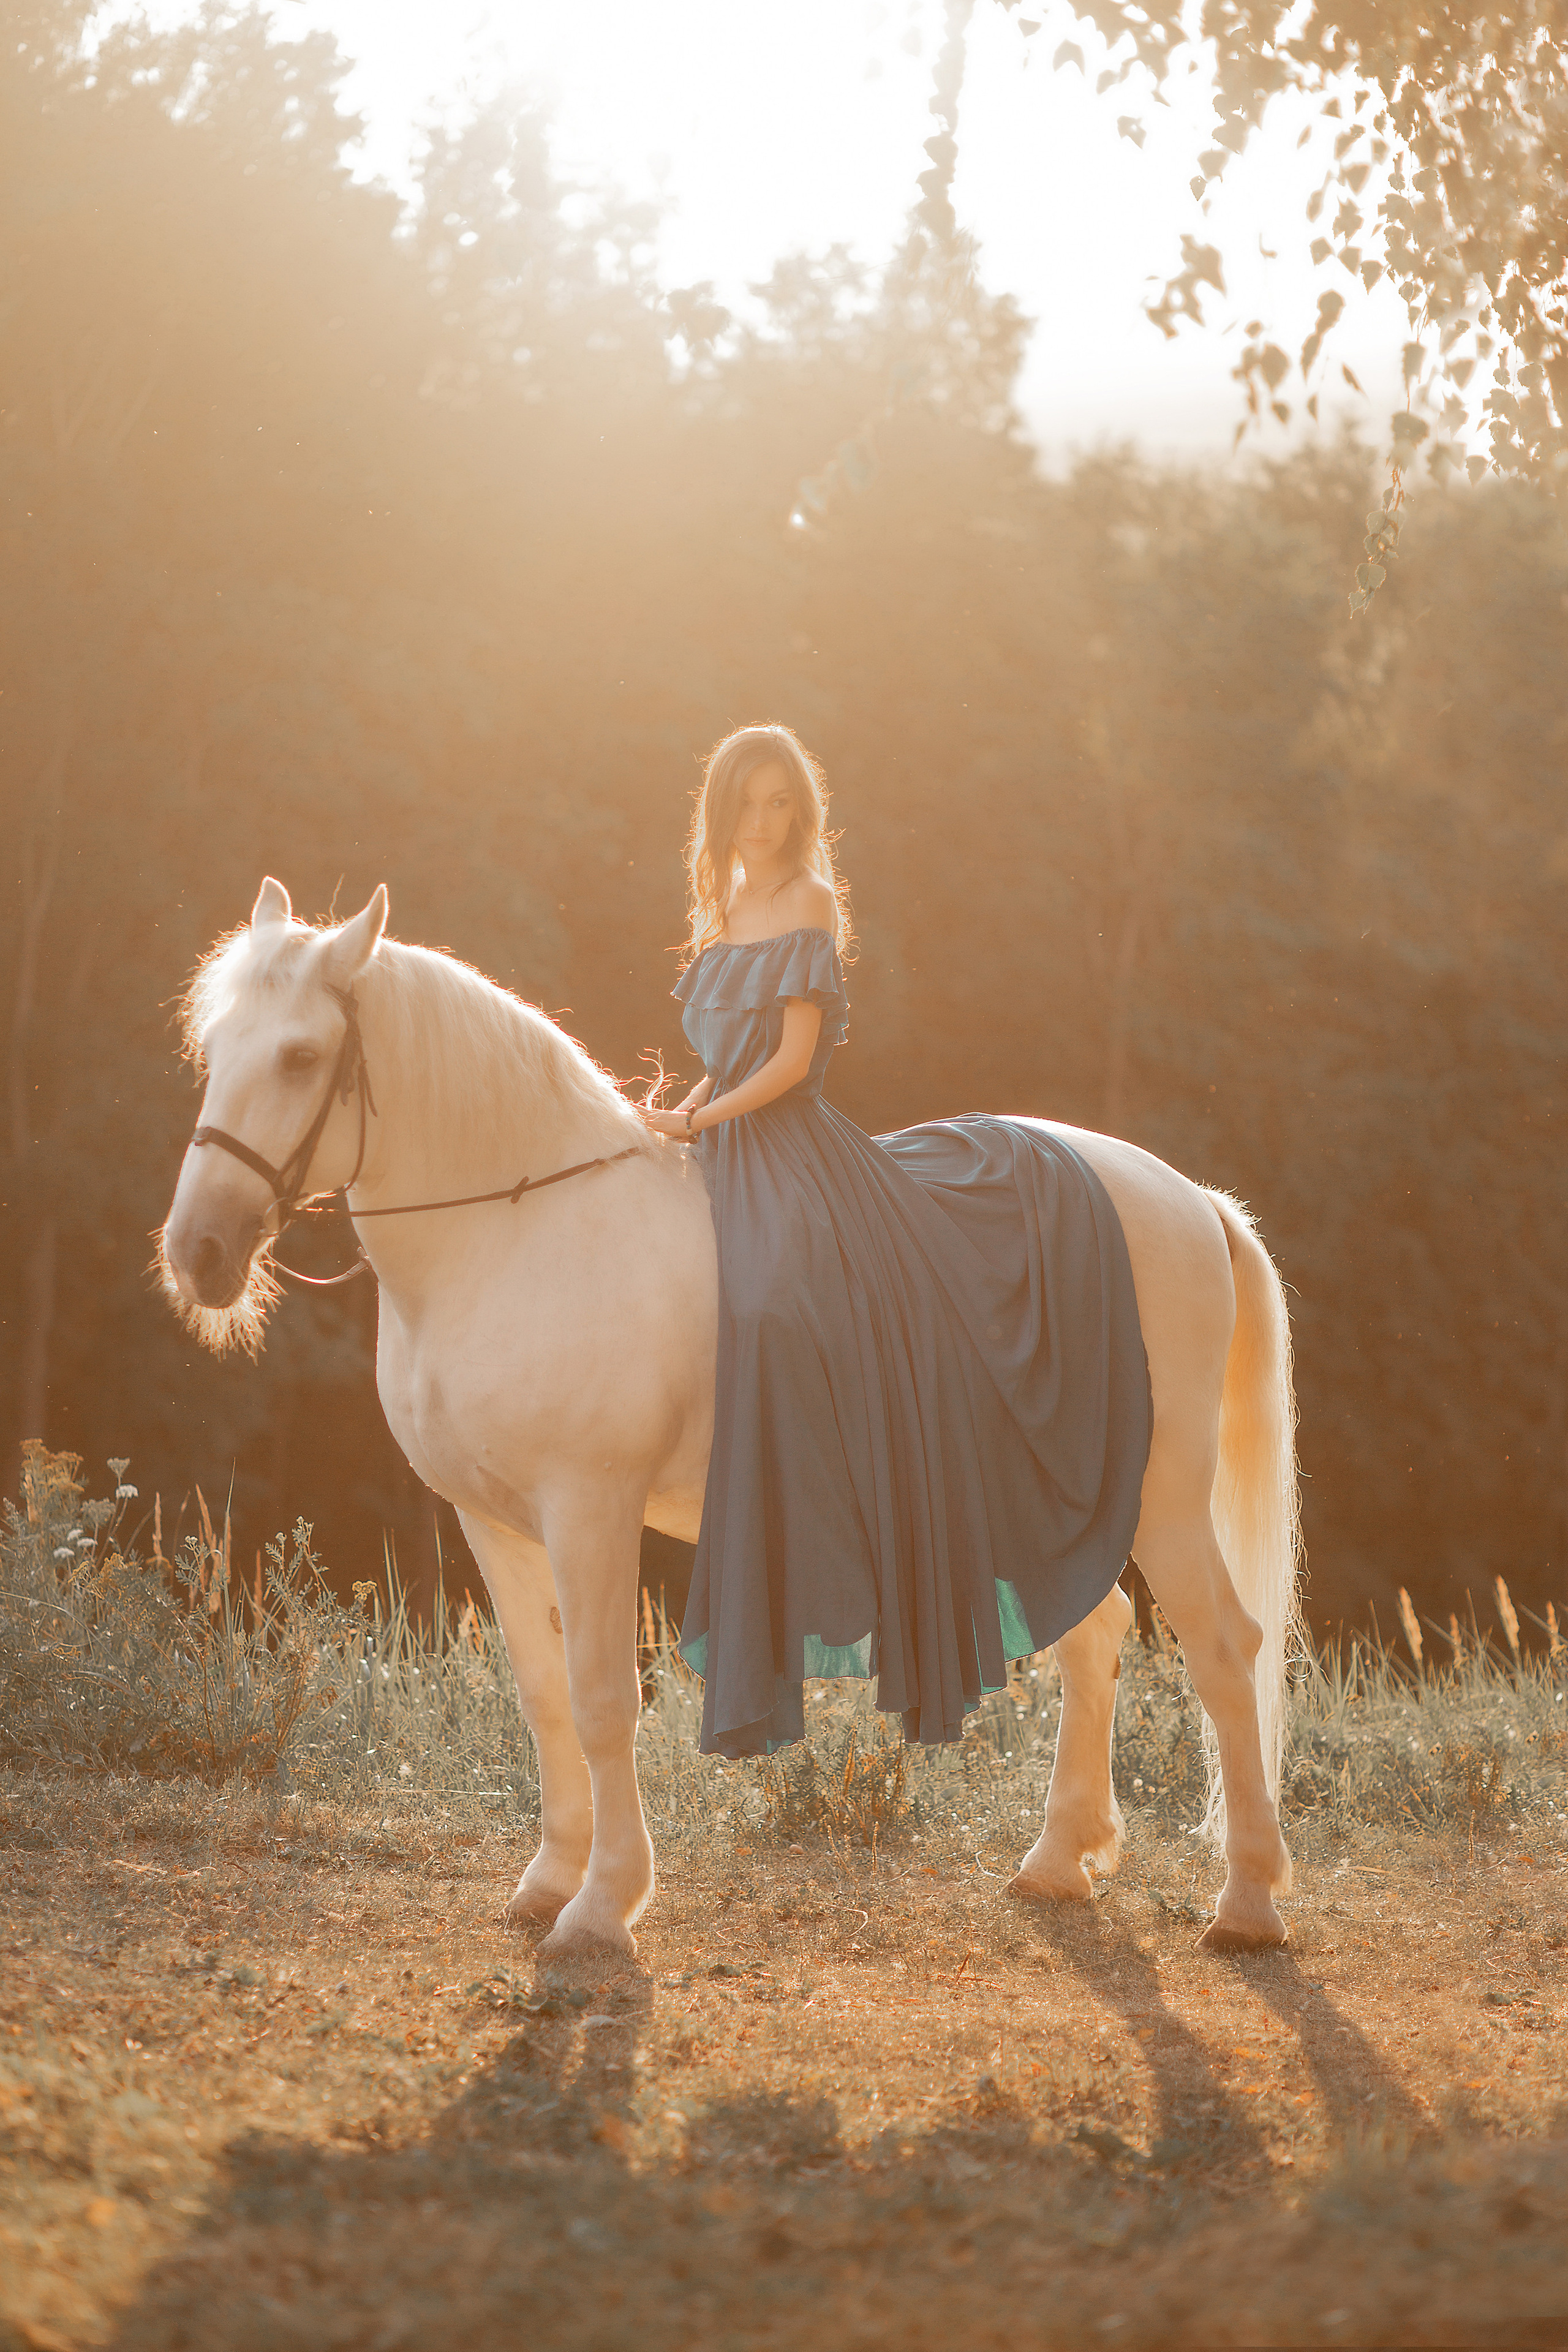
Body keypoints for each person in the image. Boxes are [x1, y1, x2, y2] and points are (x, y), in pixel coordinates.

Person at [639, 723, 1151, 1759]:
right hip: (724, 1131)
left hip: (786, 1142)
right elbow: (723, 1050)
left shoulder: (810, 904)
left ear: (803, 812)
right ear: (723, 809)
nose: (769, 823)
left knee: (774, 1300)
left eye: (785, 804)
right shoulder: (724, 907)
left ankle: (833, 1508)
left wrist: (707, 1120)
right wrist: (671, 1114)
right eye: (752, 803)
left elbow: (789, 1060)